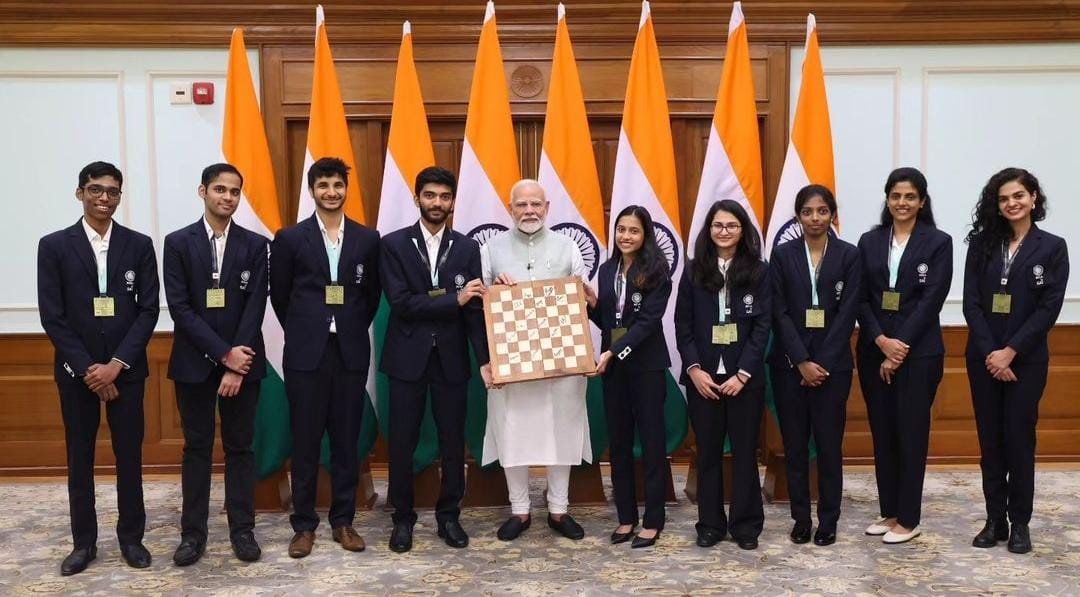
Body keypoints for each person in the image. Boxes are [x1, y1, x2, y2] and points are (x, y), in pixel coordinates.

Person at [37, 161, 159, 575]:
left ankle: (132, 539)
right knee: (80, 459)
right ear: (80, 194)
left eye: (112, 191)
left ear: (120, 196)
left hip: (128, 372)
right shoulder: (53, 245)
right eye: (95, 190)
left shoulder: (139, 245)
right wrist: (90, 369)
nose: (104, 197)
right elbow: (53, 316)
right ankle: (83, 544)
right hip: (77, 375)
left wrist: (116, 366)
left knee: (129, 458)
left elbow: (147, 311)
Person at [270, 157, 381, 558]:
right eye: (323, 185)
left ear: (345, 189)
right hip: (305, 354)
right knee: (304, 441)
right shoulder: (289, 239)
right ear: (312, 190)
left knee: (346, 442)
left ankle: (343, 521)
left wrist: (344, 324)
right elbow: (280, 296)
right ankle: (303, 525)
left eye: (337, 185)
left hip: (349, 352)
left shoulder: (368, 239)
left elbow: (369, 297)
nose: (331, 192)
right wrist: (310, 326)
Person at [379, 166, 489, 553]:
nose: (437, 203)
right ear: (417, 198)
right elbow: (402, 304)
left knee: (452, 442)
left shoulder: (467, 247)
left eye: (444, 197)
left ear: (453, 202)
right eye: (430, 196)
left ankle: (449, 516)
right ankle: (403, 518)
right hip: (407, 358)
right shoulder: (391, 244)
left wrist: (485, 361)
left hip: (452, 359)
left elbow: (474, 310)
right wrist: (452, 300)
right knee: (402, 441)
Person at [163, 163, 268, 565]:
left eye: (235, 191)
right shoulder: (178, 242)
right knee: (197, 449)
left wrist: (235, 362)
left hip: (243, 366)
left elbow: (254, 306)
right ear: (202, 191)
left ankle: (243, 530)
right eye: (220, 189)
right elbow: (181, 308)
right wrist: (223, 355)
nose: (227, 197)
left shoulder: (256, 246)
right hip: (193, 365)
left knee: (241, 448)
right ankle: (193, 534)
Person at [478, 179, 592, 541]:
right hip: (511, 363)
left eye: (535, 204)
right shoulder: (491, 250)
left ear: (547, 207)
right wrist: (497, 289)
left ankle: (559, 509)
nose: (529, 211)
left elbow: (581, 299)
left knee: (563, 431)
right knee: (513, 432)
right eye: (521, 205)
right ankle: (520, 510)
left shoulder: (568, 247)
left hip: (562, 362)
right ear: (510, 209)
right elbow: (479, 305)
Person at [963, 167, 1069, 554]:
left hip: (1026, 361)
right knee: (990, 443)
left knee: (1019, 441)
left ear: (1033, 198)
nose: (1011, 203)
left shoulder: (1053, 246)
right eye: (1004, 198)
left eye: (1018, 196)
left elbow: (1048, 308)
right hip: (982, 358)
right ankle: (995, 520)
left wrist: (1011, 352)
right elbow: (971, 302)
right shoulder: (982, 243)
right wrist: (992, 352)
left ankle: (1021, 522)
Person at [856, 167, 952, 544]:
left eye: (910, 196)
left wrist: (899, 348)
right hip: (873, 351)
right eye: (896, 196)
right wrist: (881, 341)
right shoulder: (870, 241)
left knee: (911, 434)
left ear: (922, 202)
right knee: (883, 433)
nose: (902, 203)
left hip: (919, 353)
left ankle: (909, 518)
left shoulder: (938, 242)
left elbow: (932, 299)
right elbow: (859, 297)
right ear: (887, 199)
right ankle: (890, 509)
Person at [674, 199, 770, 551]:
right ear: (708, 230)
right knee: (708, 453)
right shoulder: (693, 270)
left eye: (731, 226)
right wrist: (695, 370)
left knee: (745, 453)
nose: (724, 232)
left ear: (743, 231)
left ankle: (746, 526)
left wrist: (742, 374)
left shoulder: (759, 272)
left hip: (743, 380)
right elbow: (682, 324)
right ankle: (710, 524)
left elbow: (762, 326)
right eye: (718, 225)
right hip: (704, 381)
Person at [769, 185, 861, 547]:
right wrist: (802, 360)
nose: (815, 218)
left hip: (833, 367)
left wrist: (820, 362)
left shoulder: (849, 256)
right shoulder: (782, 255)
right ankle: (801, 518)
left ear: (832, 215)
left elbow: (848, 311)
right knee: (794, 446)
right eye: (808, 212)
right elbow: (778, 310)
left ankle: (828, 519)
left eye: (822, 211)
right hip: (790, 367)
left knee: (828, 446)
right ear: (798, 217)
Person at [584, 205, 671, 549]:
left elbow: (648, 322)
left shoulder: (657, 270)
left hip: (646, 368)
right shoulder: (607, 271)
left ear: (645, 234)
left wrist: (613, 351)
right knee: (618, 444)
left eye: (633, 230)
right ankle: (625, 517)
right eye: (621, 229)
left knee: (651, 444)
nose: (626, 236)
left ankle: (652, 520)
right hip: (614, 371)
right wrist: (592, 306)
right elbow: (611, 323)